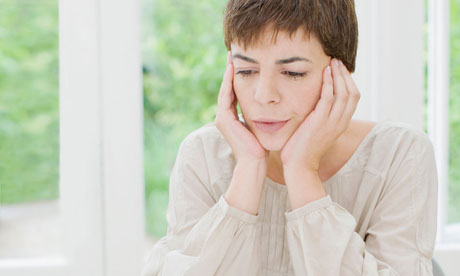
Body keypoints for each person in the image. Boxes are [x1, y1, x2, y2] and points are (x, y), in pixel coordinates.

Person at [141, 0, 438, 275]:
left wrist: (302, 171)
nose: (264, 95)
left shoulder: (399, 154)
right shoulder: (203, 155)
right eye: (246, 70)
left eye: (293, 73)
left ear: (341, 75)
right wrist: (248, 167)